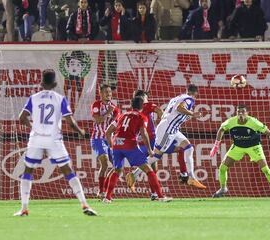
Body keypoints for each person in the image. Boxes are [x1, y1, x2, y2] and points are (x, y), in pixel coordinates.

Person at [14, 69, 96, 216]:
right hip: (53, 139)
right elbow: (70, 122)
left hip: (36, 138)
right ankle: (84, 204)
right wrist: (81, 131)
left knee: (28, 170)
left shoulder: (34, 98)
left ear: (41, 83)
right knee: (67, 171)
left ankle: (24, 208)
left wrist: (33, 127)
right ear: (55, 83)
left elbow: (22, 117)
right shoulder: (60, 98)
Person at [128, 84, 206, 190]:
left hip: (173, 129)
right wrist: (193, 114)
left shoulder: (176, 98)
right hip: (168, 129)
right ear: (195, 93)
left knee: (189, 147)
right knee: (156, 156)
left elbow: (173, 112)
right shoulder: (190, 99)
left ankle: (191, 177)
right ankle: (134, 174)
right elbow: (180, 108)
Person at [103, 97, 172, 203]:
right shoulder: (142, 116)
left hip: (116, 144)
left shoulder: (122, 115)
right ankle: (161, 196)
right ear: (142, 106)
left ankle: (107, 198)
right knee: (148, 169)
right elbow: (144, 134)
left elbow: (108, 132)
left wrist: (112, 146)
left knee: (117, 170)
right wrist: (149, 150)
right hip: (129, 144)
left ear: (131, 105)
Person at [210, 104, 270, 198]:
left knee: (265, 169)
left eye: (243, 112)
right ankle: (223, 188)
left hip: (254, 147)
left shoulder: (254, 122)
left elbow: (269, 133)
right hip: (238, 146)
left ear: (247, 113)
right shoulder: (231, 121)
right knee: (222, 168)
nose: (240, 114)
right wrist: (216, 146)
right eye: (238, 112)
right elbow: (221, 130)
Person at [90, 84, 120, 200]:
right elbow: (97, 120)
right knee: (105, 164)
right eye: (106, 92)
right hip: (97, 138)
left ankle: (106, 191)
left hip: (110, 139)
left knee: (117, 166)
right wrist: (108, 113)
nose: (109, 94)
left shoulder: (115, 109)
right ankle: (101, 192)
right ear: (101, 93)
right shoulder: (96, 105)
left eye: (110, 92)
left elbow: (117, 125)